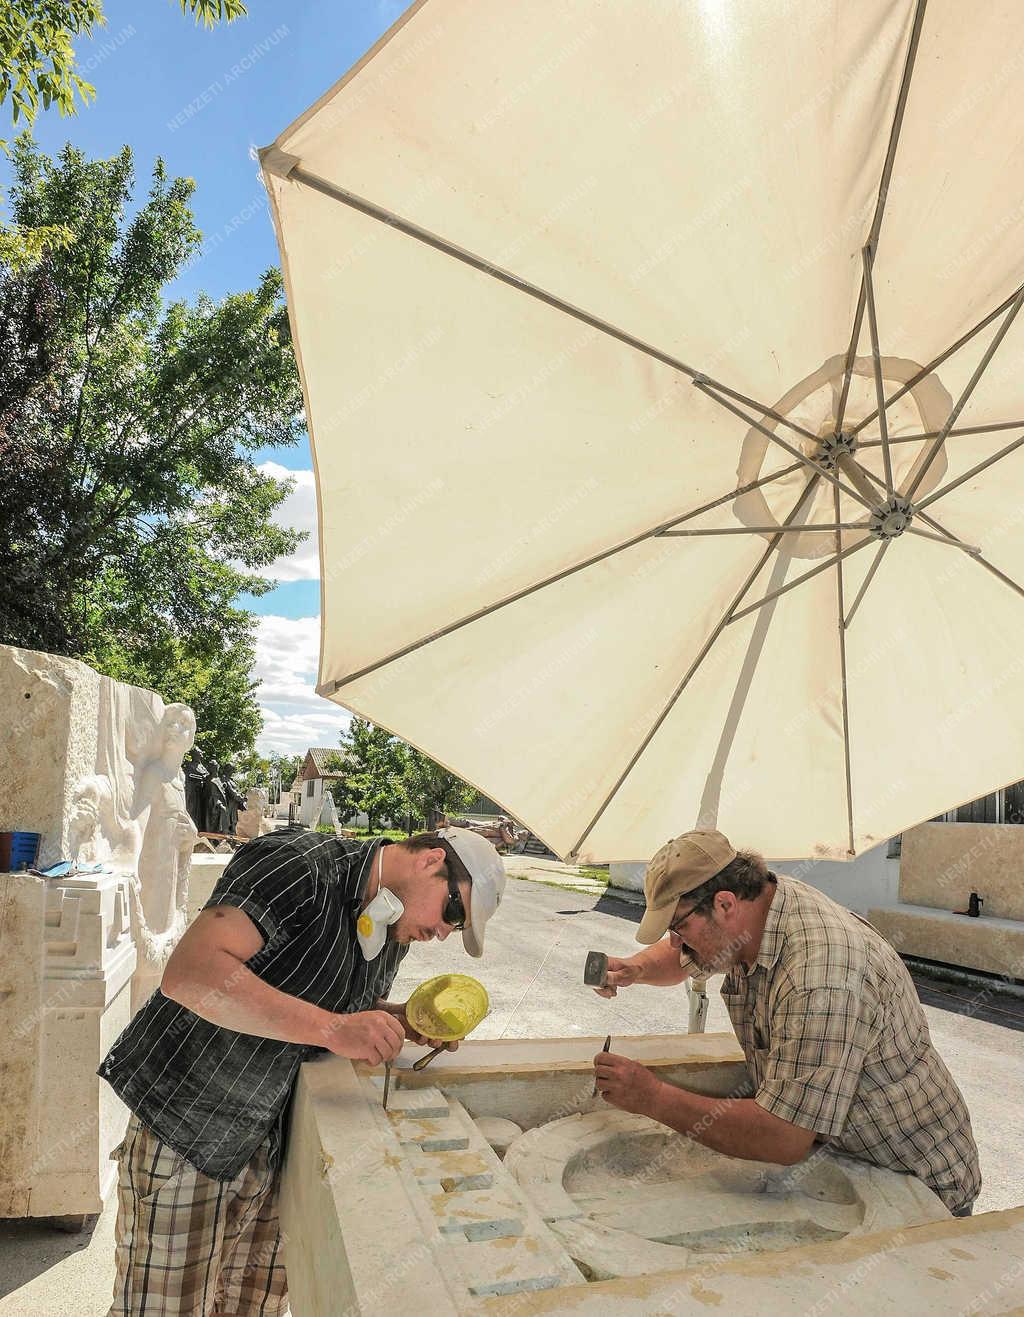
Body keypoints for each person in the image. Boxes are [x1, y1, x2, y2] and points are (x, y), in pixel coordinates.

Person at [99, 825, 506, 1316]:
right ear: (429, 860)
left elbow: (333, 1003)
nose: (442, 933)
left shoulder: (394, 925)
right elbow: (192, 973)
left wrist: (394, 1020)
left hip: (278, 1146)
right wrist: (336, 1030)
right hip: (190, 1129)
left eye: (454, 929)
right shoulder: (300, 865)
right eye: (452, 911)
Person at [592, 829, 980, 1216]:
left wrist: (652, 1098)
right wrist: (634, 968)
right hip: (844, 1158)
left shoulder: (822, 975)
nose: (676, 942)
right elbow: (685, 956)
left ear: (725, 903)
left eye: (678, 928)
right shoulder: (758, 905)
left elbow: (784, 1137)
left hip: (913, 1180)